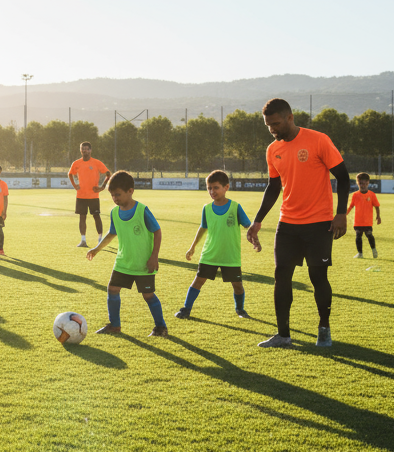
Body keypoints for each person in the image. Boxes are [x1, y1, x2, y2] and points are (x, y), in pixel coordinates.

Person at [246, 98, 350, 348]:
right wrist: (257, 221)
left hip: (319, 223)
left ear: (290, 118)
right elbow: (273, 187)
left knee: (318, 277)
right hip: (288, 224)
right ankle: (283, 334)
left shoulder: (318, 140)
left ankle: (324, 329)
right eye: (268, 125)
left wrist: (341, 214)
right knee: (281, 276)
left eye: (276, 123)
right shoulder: (273, 150)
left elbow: (344, 178)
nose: (272, 129)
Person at [87, 172, 166, 338]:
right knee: (113, 289)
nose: (115, 198)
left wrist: (154, 257)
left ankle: (161, 327)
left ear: (130, 191)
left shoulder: (142, 210)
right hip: (123, 262)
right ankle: (115, 325)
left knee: (148, 295)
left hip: (143, 263)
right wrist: (96, 249)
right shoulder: (115, 212)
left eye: (118, 194)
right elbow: (111, 233)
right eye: (112, 195)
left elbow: (157, 231)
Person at [174, 170, 259, 321]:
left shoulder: (235, 207)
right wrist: (192, 247)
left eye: (216, 188)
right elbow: (203, 228)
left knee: (237, 285)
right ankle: (186, 309)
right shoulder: (206, 208)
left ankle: (240, 309)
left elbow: (248, 226)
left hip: (230, 255)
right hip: (210, 254)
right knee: (198, 281)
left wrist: (255, 239)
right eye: (209, 188)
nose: (212, 191)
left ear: (226, 187)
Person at [68, 142, 111, 248]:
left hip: (93, 196)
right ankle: (83, 240)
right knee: (82, 217)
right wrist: (75, 185)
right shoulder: (76, 163)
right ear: (80, 150)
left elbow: (108, 174)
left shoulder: (96, 163)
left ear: (91, 150)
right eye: (83, 149)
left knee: (96, 216)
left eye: (87, 149)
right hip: (81, 196)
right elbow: (70, 174)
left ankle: (100, 239)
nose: (85, 151)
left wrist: (102, 187)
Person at [348, 172, 381, 259]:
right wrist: (344, 214)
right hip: (358, 221)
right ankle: (360, 253)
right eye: (360, 183)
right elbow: (351, 206)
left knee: (369, 234)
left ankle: (373, 249)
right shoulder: (355, 195)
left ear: (368, 183)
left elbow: (376, 206)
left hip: (367, 221)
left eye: (365, 183)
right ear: (357, 183)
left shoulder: (371, 194)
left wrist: (378, 216)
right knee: (358, 235)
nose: (362, 185)